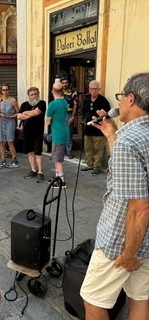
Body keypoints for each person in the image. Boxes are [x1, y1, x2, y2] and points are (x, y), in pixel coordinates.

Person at [80, 72, 149, 320]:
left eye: (120, 96)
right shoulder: (128, 139)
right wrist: (111, 135)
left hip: (122, 239)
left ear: (131, 99)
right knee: (140, 298)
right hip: (147, 240)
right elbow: (131, 174)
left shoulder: (129, 141)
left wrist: (129, 253)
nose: (117, 103)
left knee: (93, 300)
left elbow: (140, 208)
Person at [81, 80, 111, 175]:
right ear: (89, 89)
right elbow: (83, 112)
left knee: (98, 149)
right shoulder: (86, 99)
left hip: (98, 130)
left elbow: (108, 115)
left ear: (99, 89)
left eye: (95, 89)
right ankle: (90, 165)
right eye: (91, 89)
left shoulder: (103, 100)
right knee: (88, 148)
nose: (93, 91)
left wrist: (98, 120)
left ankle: (96, 167)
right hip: (88, 130)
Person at [18, 86, 46, 183]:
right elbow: (19, 116)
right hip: (27, 132)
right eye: (32, 95)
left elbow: (37, 112)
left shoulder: (42, 103)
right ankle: (34, 170)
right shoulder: (24, 104)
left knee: (38, 153)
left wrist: (26, 113)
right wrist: (29, 114)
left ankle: (41, 172)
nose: (34, 96)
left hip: (38, 132)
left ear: (38, 94)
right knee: (30, 152)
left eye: (35, 94)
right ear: (28, 96)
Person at [46, 82, 68, 188]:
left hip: (57, 132)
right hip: (63, 130)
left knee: (58, 158)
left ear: (53, 91)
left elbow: (47, 122)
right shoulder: (64, 102)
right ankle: (56, 178)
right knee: (56, 156)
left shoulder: (52, 104)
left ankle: (61, 181)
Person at [0, 83, 20, 168]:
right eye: (3, 90)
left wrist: (11, 116)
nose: (5, 91)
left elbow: (19, 113)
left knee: (10, 142)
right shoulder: (0, 100)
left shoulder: (13, 100)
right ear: (1, 91)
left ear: (9, 90)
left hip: (10, 122)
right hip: (2, 121)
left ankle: (15, 160)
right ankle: (3, 161)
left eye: (6, 89)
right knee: (2, 142)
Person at [62, 77, 78, 159]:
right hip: (59, 115)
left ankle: (69, 152)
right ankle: (59, 152)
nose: (64, 84)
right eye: (63, 83)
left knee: (68, 134)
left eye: (66, 83)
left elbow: (75, 105)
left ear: (68, 83)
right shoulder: (58, 92)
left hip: (68, 114)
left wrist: (72, 117)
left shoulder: (73, 93)